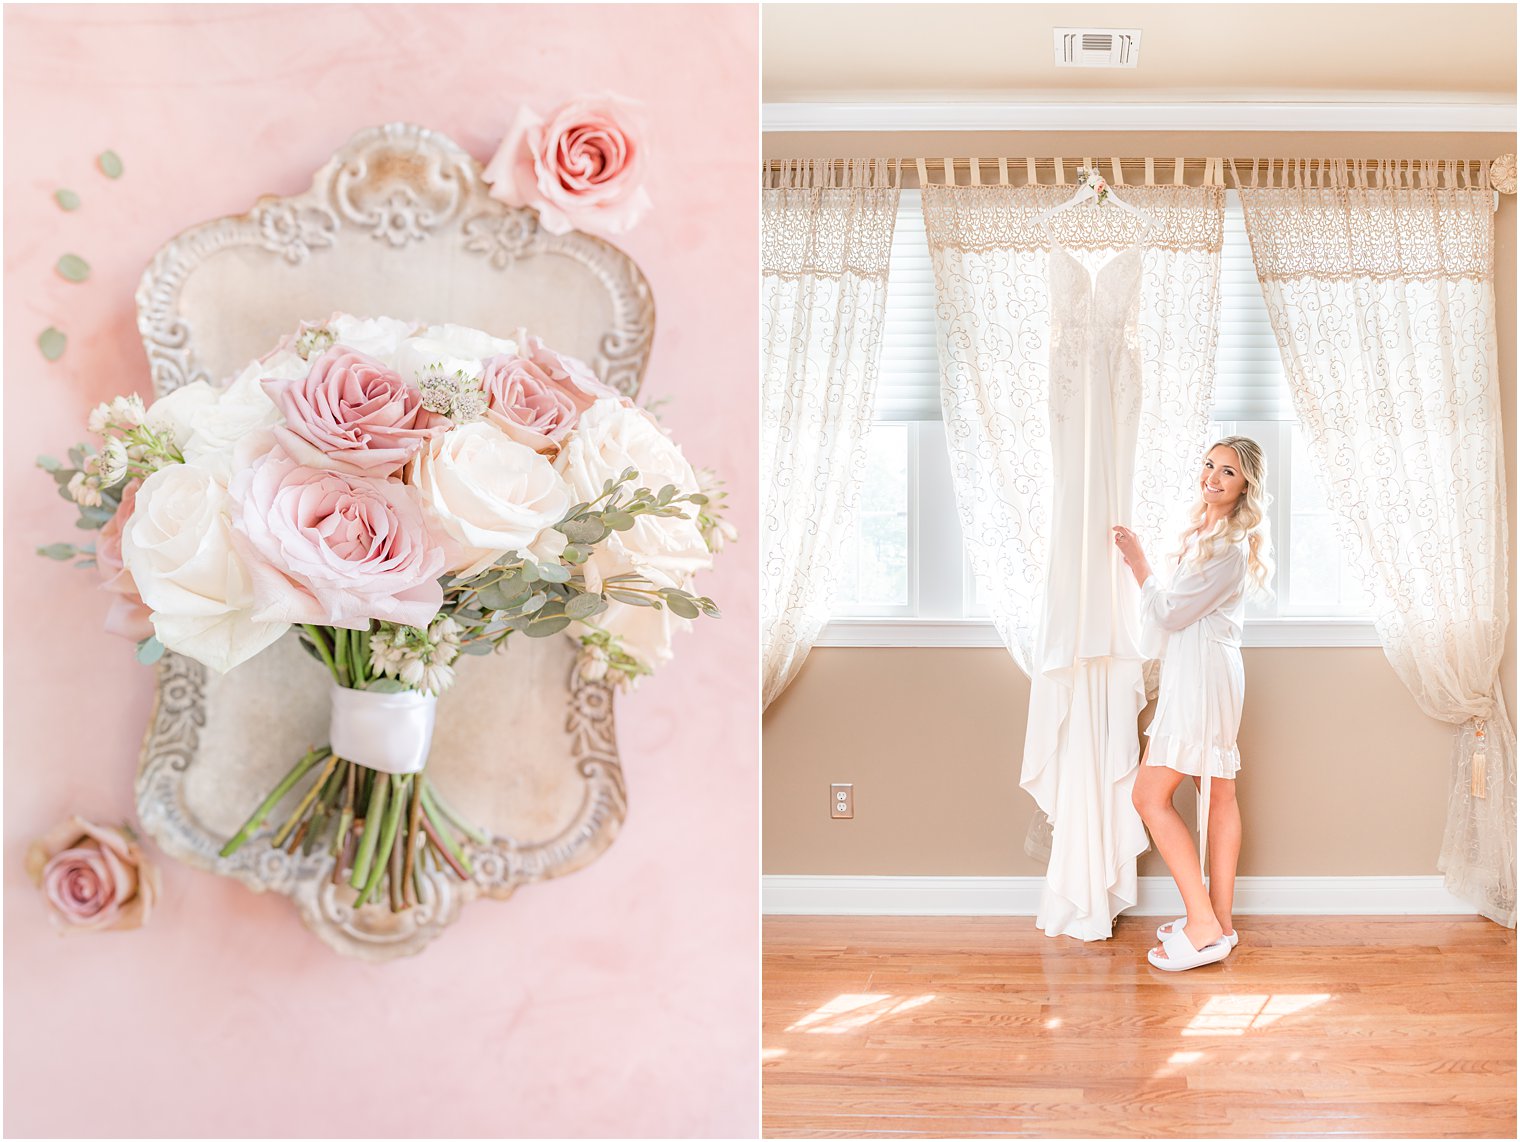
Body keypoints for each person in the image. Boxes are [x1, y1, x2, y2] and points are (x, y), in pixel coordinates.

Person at [1111, 436, 1274, 972]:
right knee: (1218, 792)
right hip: (1210, 669)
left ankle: (1202, 922)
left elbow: (1171, 614)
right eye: (1209, 465)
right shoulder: (1212, 532)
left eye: (1228, 471)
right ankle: (1220, 924)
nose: (1213, 476)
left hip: (1203, 674)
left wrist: (1138, 563)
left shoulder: (1228, 545)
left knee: (1150, 796)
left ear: (1245, 483)